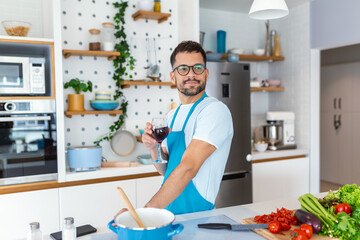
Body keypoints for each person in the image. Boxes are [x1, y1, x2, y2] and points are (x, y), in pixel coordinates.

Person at [141, 40, 234, 215]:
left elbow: (188, 167)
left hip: (198, 217)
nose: (191, 74)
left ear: (206, 74)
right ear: (173, 76)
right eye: (183, 69)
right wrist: (154, 149)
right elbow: (167, 171)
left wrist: (148, 212)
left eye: (197, 68)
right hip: (168, 213)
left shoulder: (214, 111)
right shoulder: (171, 116)